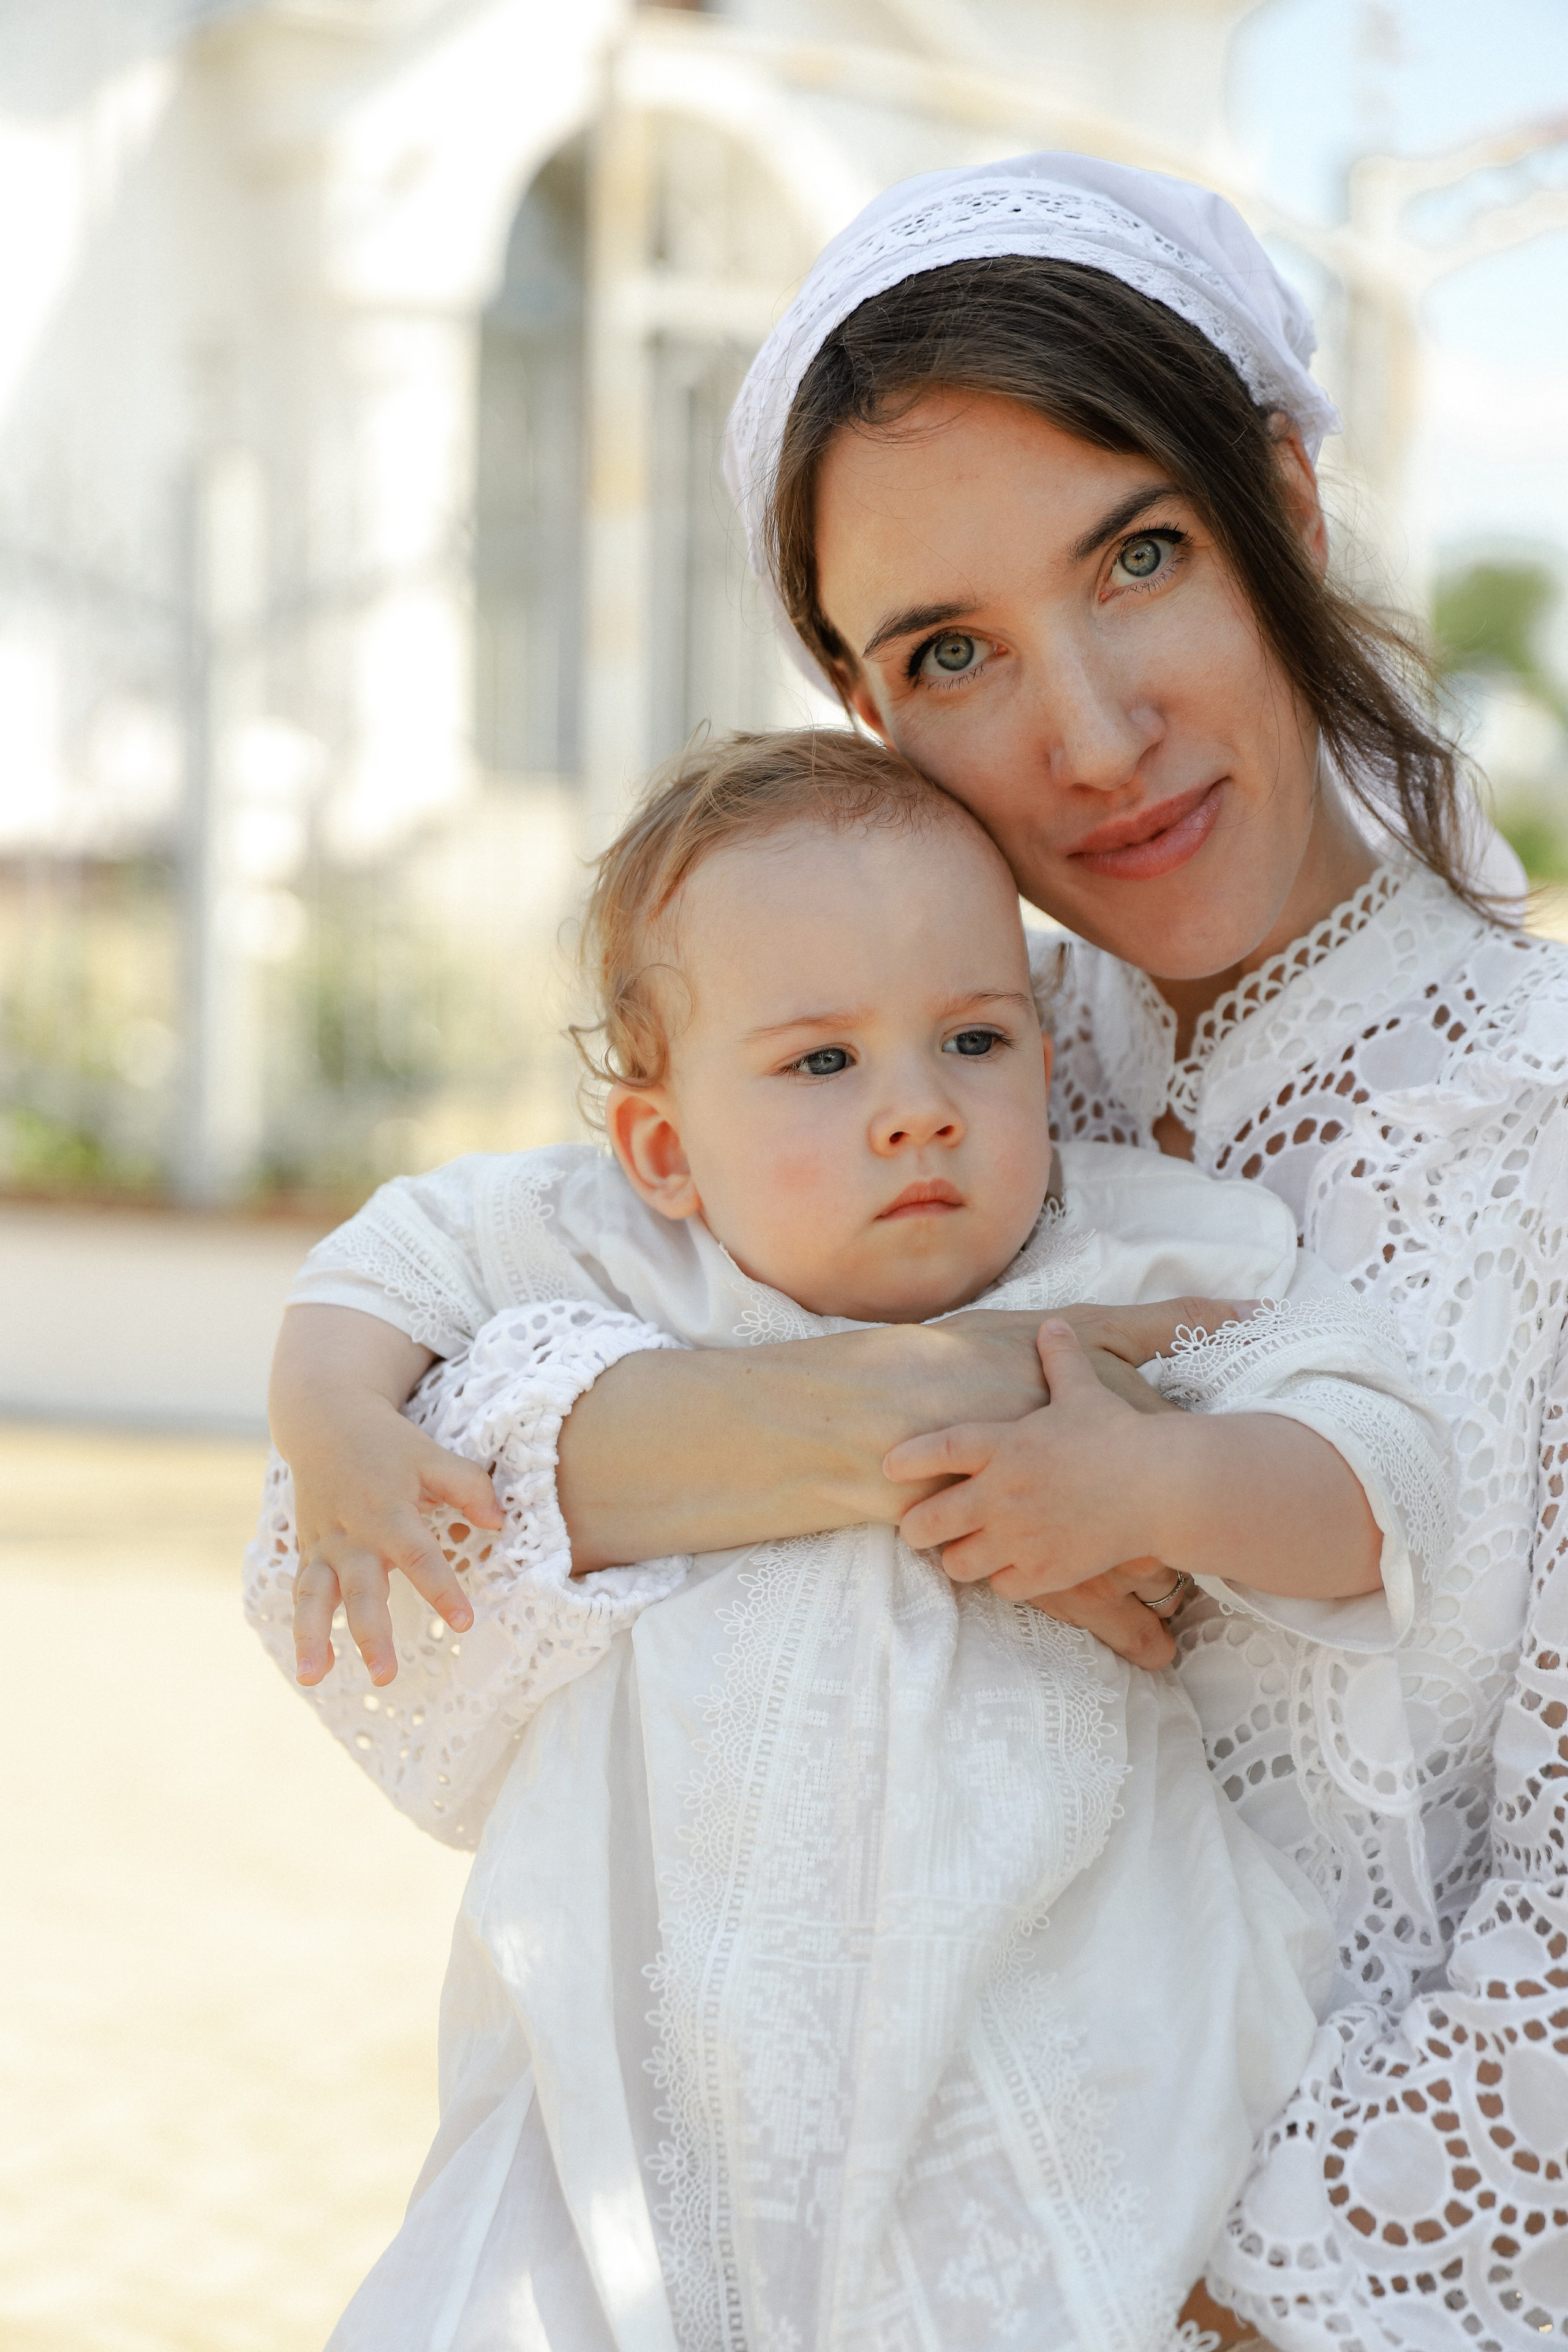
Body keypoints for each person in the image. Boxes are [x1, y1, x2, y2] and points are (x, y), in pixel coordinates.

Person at [265, 154, 1568, 2347]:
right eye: (950, 650)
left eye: (1139, 555)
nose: (1084, 732)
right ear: (870, 710)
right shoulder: (909, 1069)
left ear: (1286, 505)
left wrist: (1228, 2315)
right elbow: (353, 1567)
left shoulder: (1531, 1124)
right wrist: (934, 1417)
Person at [249, 726, 1453, 2350]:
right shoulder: (602, 1252)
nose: (916, 1115)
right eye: (824, 1063)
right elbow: (377, 1269)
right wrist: (341, 1432)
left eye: (972, 1039)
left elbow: (1376, 1477)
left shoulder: (1146, 1257)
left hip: (1039, 2044)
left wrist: (1152, 1484)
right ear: (665, 1149)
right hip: (630, 2053)